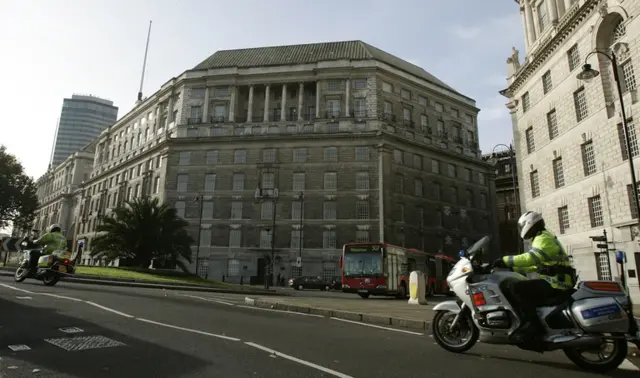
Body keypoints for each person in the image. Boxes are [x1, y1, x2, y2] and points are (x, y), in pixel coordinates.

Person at [493, 211, 576, 342]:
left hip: (556, 282)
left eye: (522, 226)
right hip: (556, 280)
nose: (521, 229)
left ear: (529, 224)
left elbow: (532, 258)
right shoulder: (543, 236)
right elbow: (537, 265)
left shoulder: (543, 238)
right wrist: (513, 268)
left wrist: (505, 260)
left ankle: (533, 326)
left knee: (516, 288)